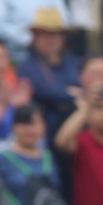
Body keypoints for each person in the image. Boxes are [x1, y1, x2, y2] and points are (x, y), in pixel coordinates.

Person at [16, 8, 82, 138]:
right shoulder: (27, 65)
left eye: (56, 34)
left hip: (77, 124)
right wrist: (75, 94)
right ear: (35, 38)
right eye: (45, 34)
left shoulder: (74, 61)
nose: (51, 39)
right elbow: (46, 91)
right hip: (48, 126)